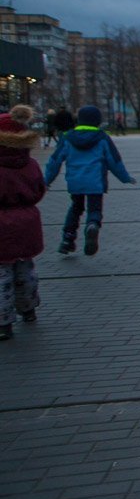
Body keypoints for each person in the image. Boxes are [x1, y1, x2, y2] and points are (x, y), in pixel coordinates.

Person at [44, 105, 136, 256]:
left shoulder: (68, 137)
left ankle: (68, 238)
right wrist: (125, 178)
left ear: (79, 120)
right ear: (97, 121)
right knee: (94, 209)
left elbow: (55, 161)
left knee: (75, 208)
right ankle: (92, 225)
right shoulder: (102, 138)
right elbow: (114, 161)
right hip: (96, 182)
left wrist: (46, 181)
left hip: (75, 182)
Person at [0, 106, 45, 340]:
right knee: (25, 269)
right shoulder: (30, 165)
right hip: (27, 221)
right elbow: (39, 190)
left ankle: (3, 321)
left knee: (2, 275)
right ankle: (28, 308)